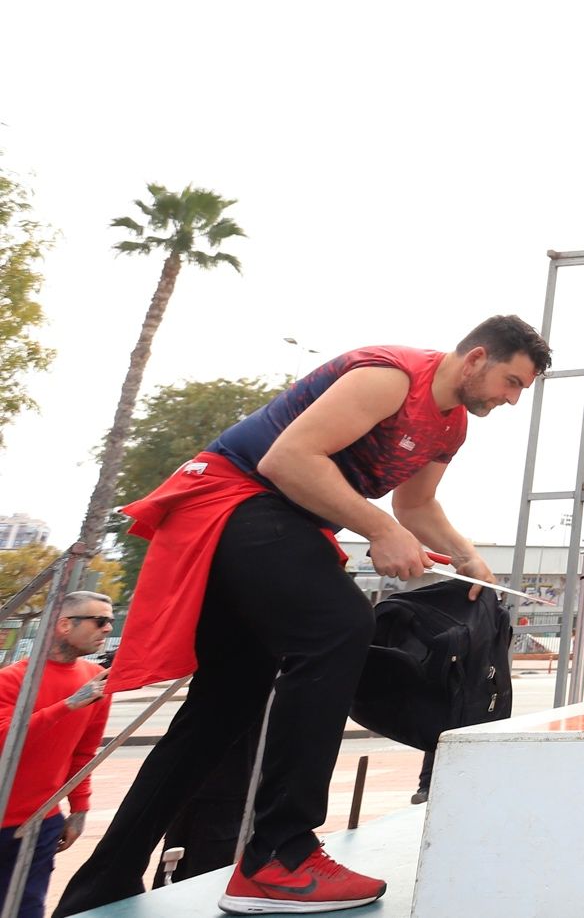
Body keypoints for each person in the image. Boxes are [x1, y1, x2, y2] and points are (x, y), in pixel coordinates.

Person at [55, 315, 552, 915]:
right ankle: (279, 855)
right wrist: (378, 529)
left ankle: (102, 882)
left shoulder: (450, 428)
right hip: (232, 498)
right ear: (475, 359)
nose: (512, 398)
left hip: (280, 521)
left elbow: (415, 504)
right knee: (341, 626)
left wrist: (468, 555)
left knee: (225, 705)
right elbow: (286, 460)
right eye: (511, 381)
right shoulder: (390, 378)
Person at [0, 591, 112, 918]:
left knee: (27, 909)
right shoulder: (11, 679)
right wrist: (67, 706)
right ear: (65, 625)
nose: (107, 629)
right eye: (100, 620)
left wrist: (79, 809)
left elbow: (83, 752)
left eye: (110, 621)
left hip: (41, 821)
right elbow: (5, 739)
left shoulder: (96, 681)